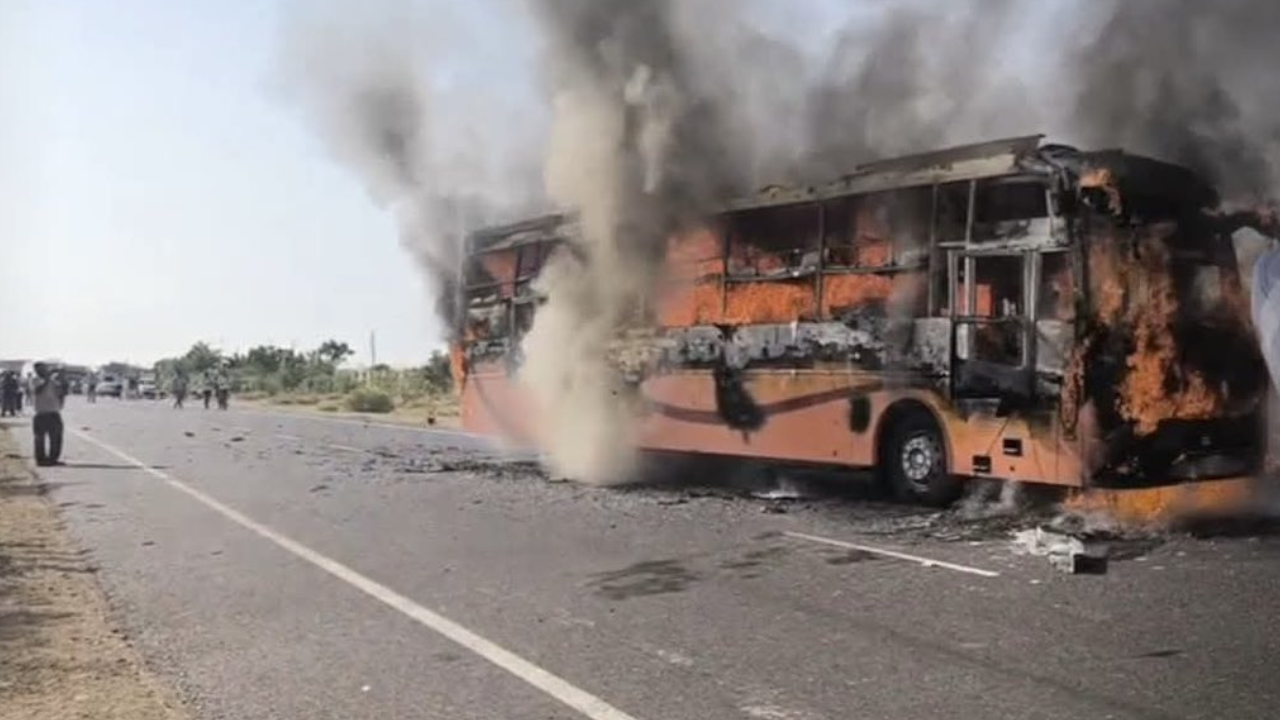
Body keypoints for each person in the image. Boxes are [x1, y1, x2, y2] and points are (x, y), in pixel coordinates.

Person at [31, 362, 67, 467]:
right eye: (41, 369)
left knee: (56, 438)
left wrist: (62, 383)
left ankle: (53, 459)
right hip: (41, 413)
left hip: (54, 412)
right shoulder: (35, 380)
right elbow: (37, 390)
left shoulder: (53, 381)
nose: (44, 371)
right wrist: (47, 379)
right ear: (36, 371)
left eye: (44, 368)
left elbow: (61, 393)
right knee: (39, 439)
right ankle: (41, 460)